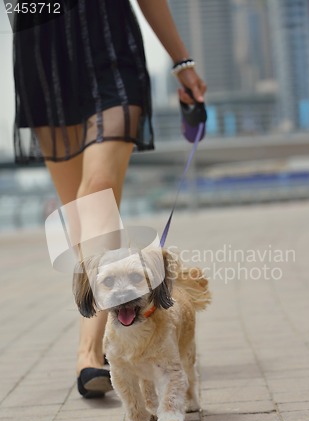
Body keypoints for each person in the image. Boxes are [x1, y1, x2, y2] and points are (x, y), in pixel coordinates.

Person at [13, 0, 207, 397]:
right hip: (42, 45)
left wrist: (180, 61)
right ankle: (109, 338)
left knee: (97, 190)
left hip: (109, 39)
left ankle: (89, 351)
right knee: (77, 212)